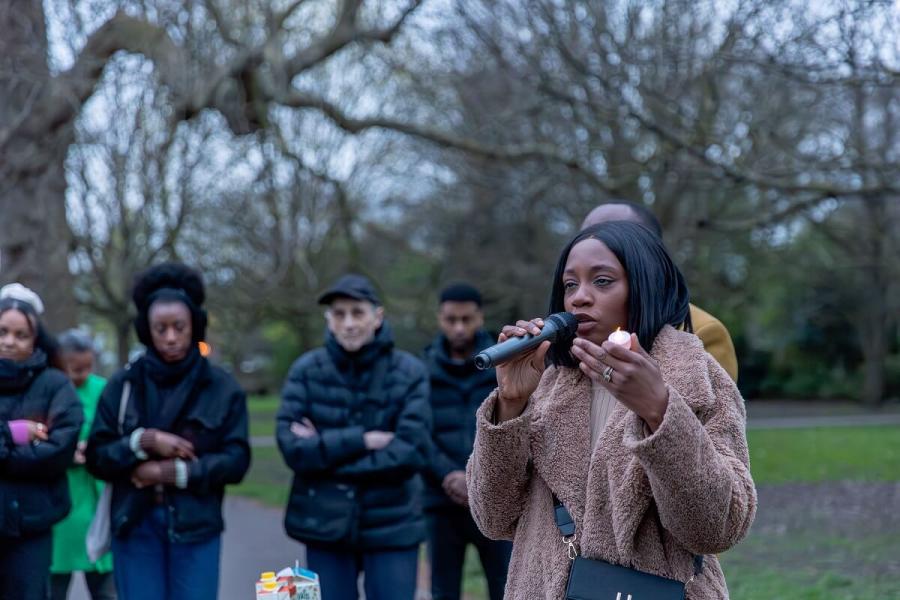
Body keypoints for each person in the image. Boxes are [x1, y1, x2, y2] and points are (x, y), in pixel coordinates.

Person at [466, 221, 756, 599]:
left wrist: (661, 413)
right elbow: (493, 517)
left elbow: (717, 529)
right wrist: (511, 403)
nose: (579, 298)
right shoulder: (547, 385)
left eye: (602, 281)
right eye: (571, 284)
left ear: (645, 286)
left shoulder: (699, 379)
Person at [86, 263, 251, 600]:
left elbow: (236, 460)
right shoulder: (123, 385)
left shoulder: (222, 388)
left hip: (196, 527)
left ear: (195, 326)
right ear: (146, 330)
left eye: (179, 327)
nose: (171, 337)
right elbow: (96, 457)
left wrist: (173, 472)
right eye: (160, 329)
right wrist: (142, 442)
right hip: (135, 525)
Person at [277, 273, 431, 600]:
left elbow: (410, 453)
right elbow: (291, 448)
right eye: (339, 314)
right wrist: (362, 440)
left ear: (378, 316)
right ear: (328, 321)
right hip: (321, 527)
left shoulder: (410, 371)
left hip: (394, 526)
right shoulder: (305, 370)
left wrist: (326, 458)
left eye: (357, 312)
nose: (348, 323)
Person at [582, 201, 739, 381]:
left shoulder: (701, 332)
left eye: (614, 240)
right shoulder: (568, 332)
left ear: (651, 255)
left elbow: (715, 408)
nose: (591, 250)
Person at [422, 283, 511, 600]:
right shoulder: (422, 371)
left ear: (480, 317)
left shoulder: (504, 363)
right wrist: (449, 474)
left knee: (505, 587)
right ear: (439, 319)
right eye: (451, 319)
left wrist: (474, 476)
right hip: (441, 501)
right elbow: (418, 434)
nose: (459, 328)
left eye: (467, 319)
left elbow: (512, 425)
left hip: (494, 498)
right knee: (443, 590)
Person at [0, 283, 83, 600]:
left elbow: (59, 448)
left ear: (36, 340)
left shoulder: (55, 385)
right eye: (3, 331)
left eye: (20, 335)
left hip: (31, 527)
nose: (9, 342)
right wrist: (14, 434)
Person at [50, 329, 116, 600]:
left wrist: (96, 449)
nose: (84, 374)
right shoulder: (50, 388)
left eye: (88, 367)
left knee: (105, 584)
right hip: (61, 497)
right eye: (76, 369)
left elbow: (114, 432)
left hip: (95, 494)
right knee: (53, 582)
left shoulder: (103, 389)